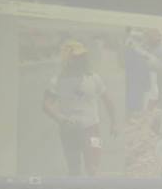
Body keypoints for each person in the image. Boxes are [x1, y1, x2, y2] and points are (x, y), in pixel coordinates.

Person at [43, 39, 117, 176]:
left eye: (83, 56)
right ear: (68, 59)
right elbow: (46, 105)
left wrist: (114, 123)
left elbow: (108, 101)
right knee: (74, 170)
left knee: (93, 168)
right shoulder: (56, 81)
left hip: (92, 130)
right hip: (68, 131)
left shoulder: (93, 78)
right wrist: (61, 119)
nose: (81, 59)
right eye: (77, 57)